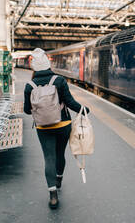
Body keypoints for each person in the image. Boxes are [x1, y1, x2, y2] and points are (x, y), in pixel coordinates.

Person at [24, 48, 90, 209]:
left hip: (43, 127)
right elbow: (70, 102)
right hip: (63, 124)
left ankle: (52, 194)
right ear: (47, 65)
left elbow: (27, 110)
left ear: (34, 67)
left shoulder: (29, 85)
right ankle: (59, 179)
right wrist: (84, 110)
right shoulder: (59, 80)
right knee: (60, 154)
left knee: (49, 158)